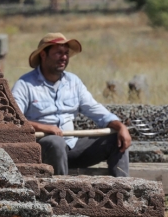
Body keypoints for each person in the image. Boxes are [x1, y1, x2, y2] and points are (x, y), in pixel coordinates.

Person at [11, 33, 131, 177]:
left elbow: (95, 109)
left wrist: (120, 126)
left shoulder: (73, 82)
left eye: (66, 53)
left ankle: (122, 191)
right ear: (43, 55)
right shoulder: (25, 84)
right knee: (55, 142)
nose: (64, 57)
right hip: (41, 150)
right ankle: (60, 194)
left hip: (71, 146)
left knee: (116, 139)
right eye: (58, 53)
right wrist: (44, 127)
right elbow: (13, 121)